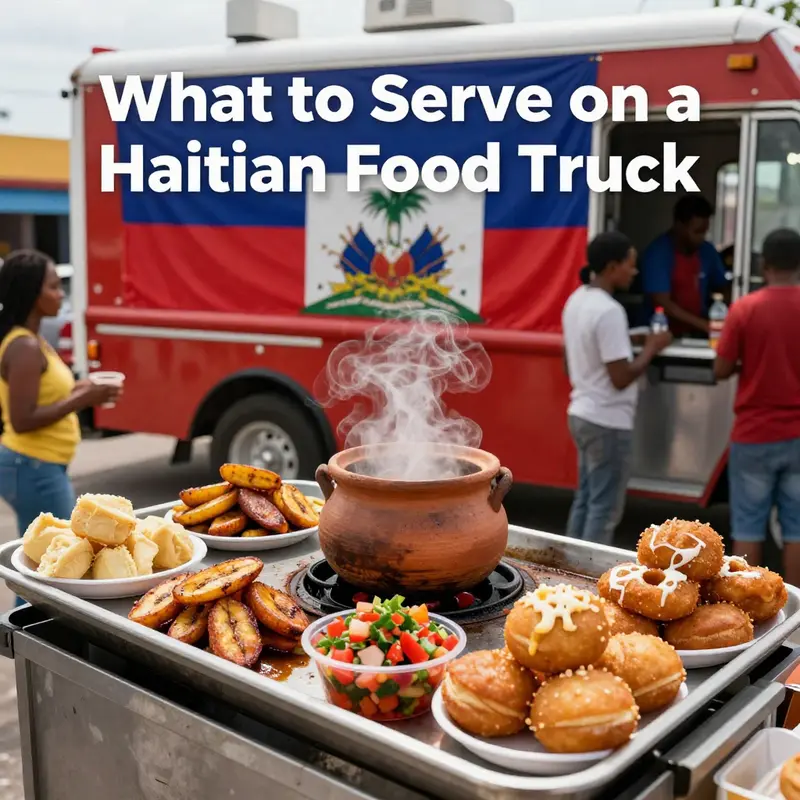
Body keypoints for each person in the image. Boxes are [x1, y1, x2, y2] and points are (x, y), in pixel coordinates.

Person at [0, 250, 121, 545]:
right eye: (53, 287)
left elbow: (45, 394)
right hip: (32, 467)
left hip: (38, 465)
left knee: (40, 564)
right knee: (49, 567)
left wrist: (84, 388)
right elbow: (22, 420)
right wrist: (82, 399)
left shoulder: (33, 340)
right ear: (31, 294)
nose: (60, 295)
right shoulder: (24, 347)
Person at [563, 232, 672, 544]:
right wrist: (651, 347)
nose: (634, 272)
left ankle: (568, 574)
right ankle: (591, 581)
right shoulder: (610, 310)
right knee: (604, 509)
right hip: (607, 421)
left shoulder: (577, 299)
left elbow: (569, 360)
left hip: (582, 412)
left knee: (585, 500)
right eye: (630, 265)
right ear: (612, 267)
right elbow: (621, 377)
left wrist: (629, 338)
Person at [713, 228, 800, 586]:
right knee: (796, 529)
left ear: (764, 264)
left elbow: (720, 368)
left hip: (754, 434)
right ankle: (797, 618)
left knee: (748, 525)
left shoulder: (745, 308)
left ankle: (748, 605)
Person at [640, 195, 729, 336]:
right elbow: (662, 302)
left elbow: (722, 286)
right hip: (663, 334)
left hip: (699, 333)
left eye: (704, 232)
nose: (701, 238)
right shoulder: (658, 253)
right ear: (679, 225)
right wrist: (703, 325)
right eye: (697, 232)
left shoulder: (707, 251)